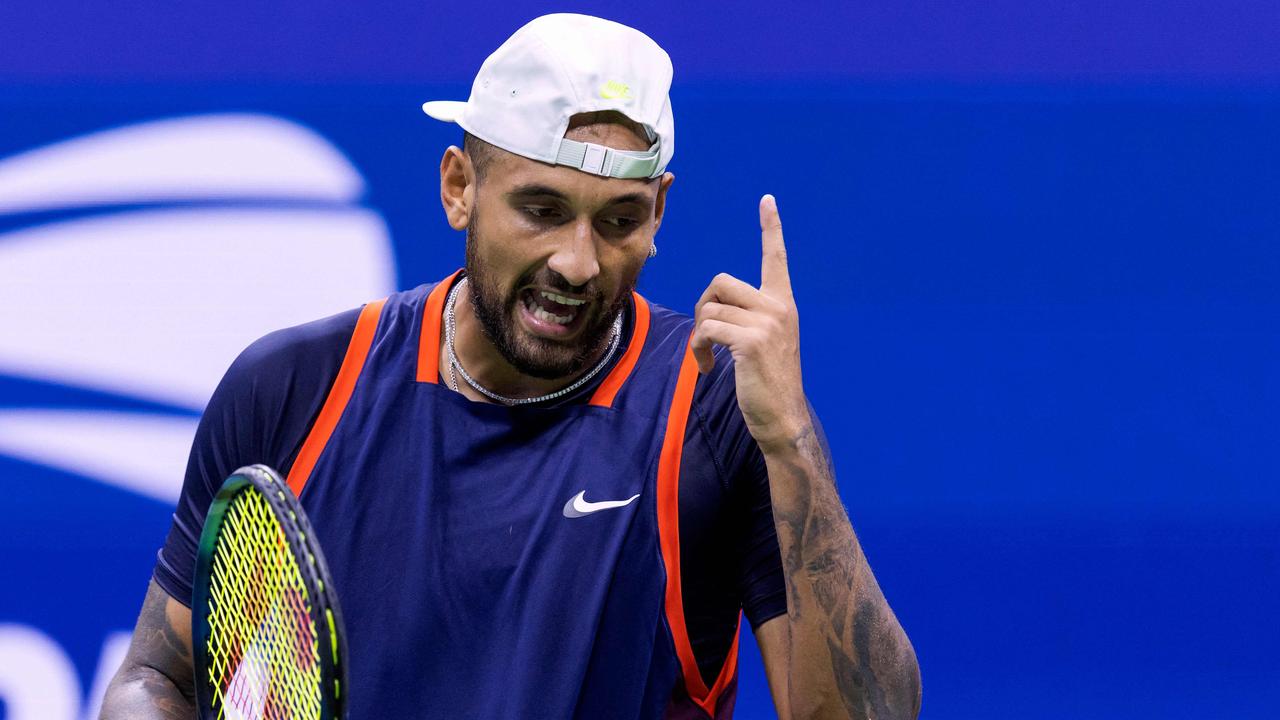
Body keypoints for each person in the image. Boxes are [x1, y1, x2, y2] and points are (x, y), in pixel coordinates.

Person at [102, 13, 920, 720]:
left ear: (659, 212)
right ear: (461, 187)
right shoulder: (294, 390)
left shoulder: (715, 412)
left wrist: (790, 443)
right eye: (541, 210)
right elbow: (156, 677)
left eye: (619, 221)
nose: (578, 262)